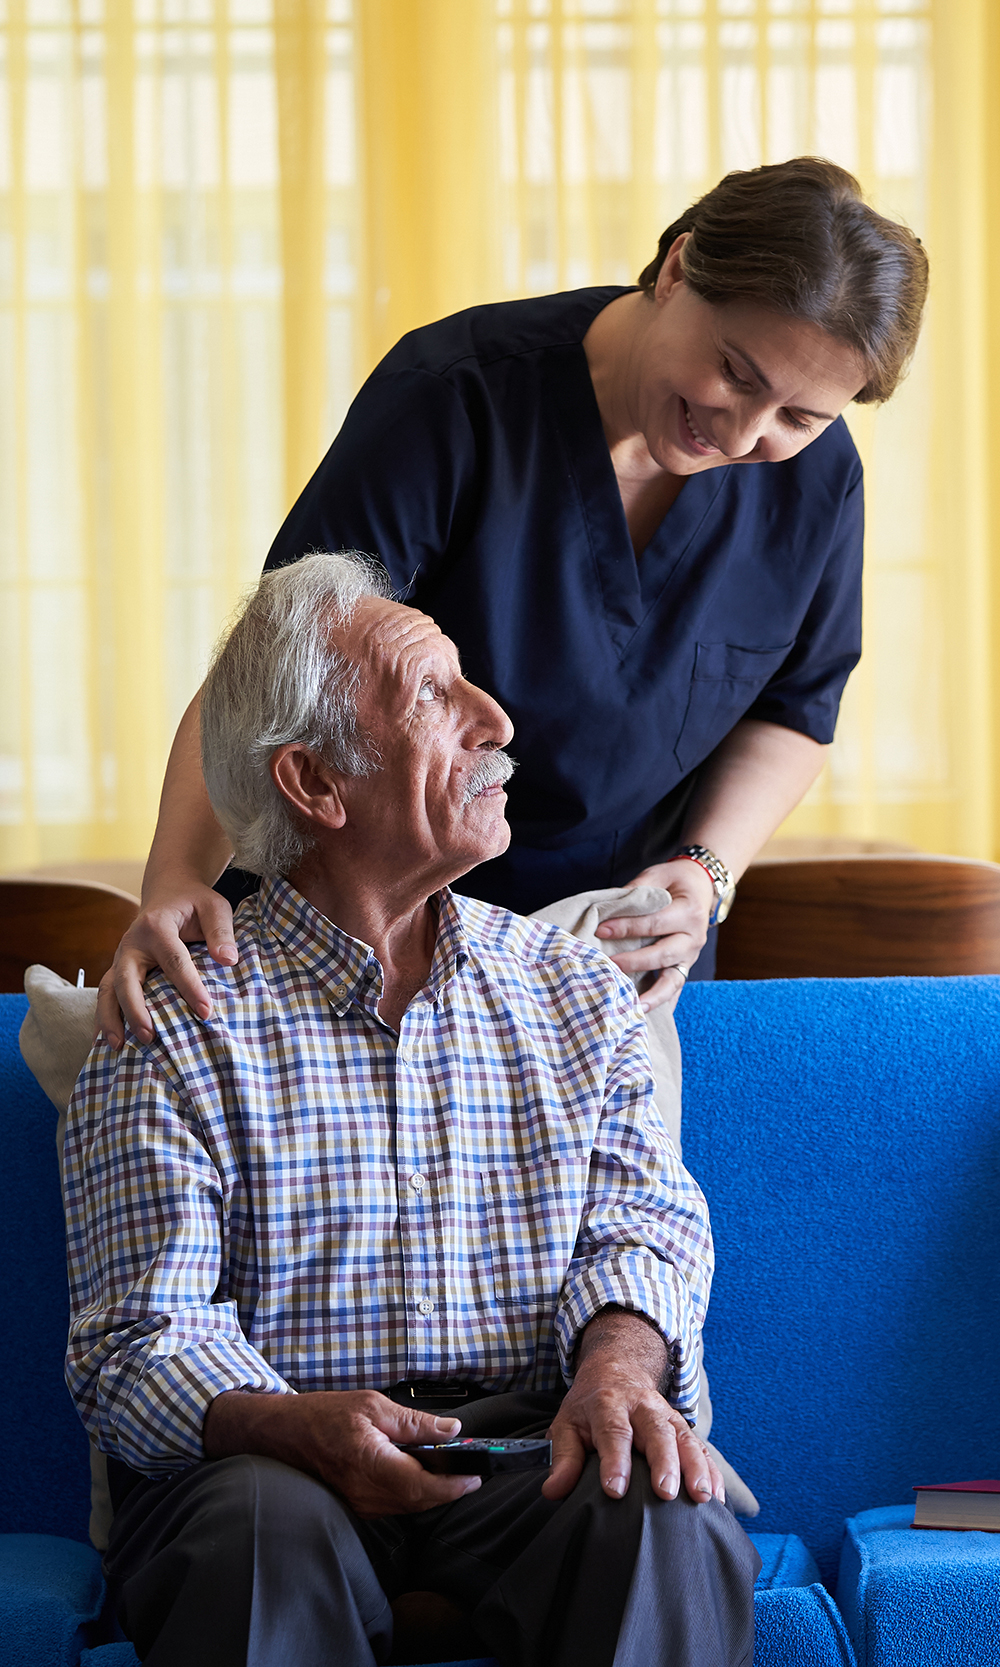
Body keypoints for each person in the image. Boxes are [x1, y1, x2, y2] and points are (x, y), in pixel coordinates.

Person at [64, 552, 759, 1667]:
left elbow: (643, 1224)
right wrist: (291, 1421)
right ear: (317, 784)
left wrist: (616, 1372)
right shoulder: (179, 1018)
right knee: (251, 1534)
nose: (495, 718)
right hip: (271, 1467)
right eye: (435, 692)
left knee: (659, 1504)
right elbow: (136, 1343)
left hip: (532, 1452)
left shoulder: (574, 988)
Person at [97, 156, 927, 1048]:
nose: (741, 431)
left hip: (612, 953)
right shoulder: (456, 397)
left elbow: (796, 707)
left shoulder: (820, 483)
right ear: (679, 266)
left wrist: (705, 869)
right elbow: (271, 668)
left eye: (799, 418)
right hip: (373, 935)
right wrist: (178, 875)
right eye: (735, 371)